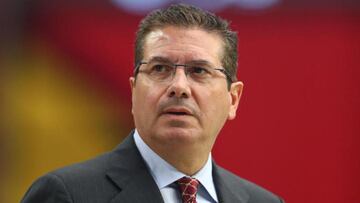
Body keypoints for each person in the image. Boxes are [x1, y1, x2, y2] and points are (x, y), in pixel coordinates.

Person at [22, 4, 284, 203]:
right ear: (134, 91)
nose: (179, 87)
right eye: (160, 68)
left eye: (199, 71)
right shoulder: (66, 194)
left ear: (233, 99)